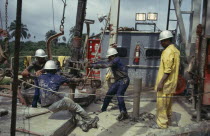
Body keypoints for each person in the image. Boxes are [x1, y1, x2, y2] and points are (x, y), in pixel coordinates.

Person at [38, 60, 99, 132]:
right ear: (55, 69)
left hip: (43, 104)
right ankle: (90, 121)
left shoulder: (40, 77)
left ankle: (81, 123)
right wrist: (82, 79)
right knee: (76, 106)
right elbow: (73, 80)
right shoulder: (58, 77)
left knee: (68, 101)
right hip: (53, 105)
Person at [87, 47, 130, 121]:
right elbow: (103, 62)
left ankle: (123, 112)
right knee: (109, 94)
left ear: (112, 56)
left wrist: (92, 66)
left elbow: (105, 65)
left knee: (119, 95)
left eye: (109, 57)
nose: (108, 58)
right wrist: (92, 64)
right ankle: (103, 109)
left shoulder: (115, 61)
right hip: (119, 80)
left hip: (124, 81)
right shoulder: (114, 59)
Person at [154, 30, 180, 129]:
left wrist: (161, 83)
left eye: (163, 41)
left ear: (168, 40)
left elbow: (167, 70)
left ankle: (161, 124)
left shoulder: (167, 51)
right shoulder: (176, 51)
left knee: (161, 103)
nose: (161, 43)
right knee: (168, 103)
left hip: (165, 83)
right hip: (172, 82)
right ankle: (168, 119)